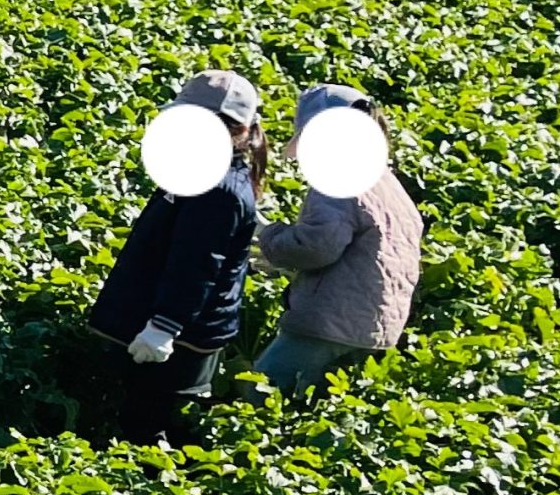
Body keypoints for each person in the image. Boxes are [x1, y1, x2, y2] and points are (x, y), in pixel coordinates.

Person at [89, 69, 266, 443]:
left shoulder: (218, 191)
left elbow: (197, 266)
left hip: (180, 338)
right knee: (139, 417)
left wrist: (164, 326)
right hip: (166, 322)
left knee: (148, 428)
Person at [247, 85, 425, 395]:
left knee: (262, 391)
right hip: (377, 326)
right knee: (314, 404)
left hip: (330, 320)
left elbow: (317, 246)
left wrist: (269, 235)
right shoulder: (388, 183)